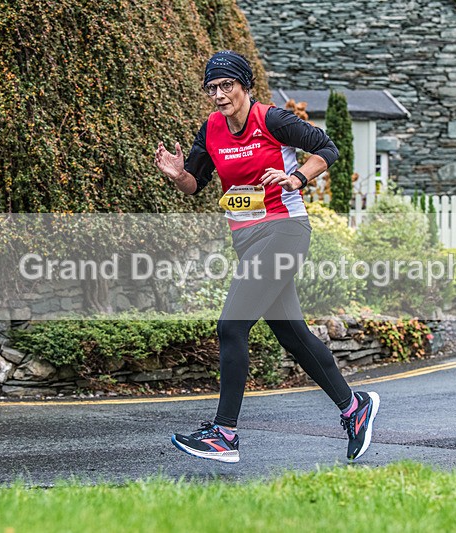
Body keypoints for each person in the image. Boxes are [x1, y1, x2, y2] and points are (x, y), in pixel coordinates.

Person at [154, 51, 379, 464]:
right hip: (248, 239)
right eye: (213, 88)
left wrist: (294, 178)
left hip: (284, 231)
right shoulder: (211, 130)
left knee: (231, 325)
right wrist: (176, 174)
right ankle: (353, 407)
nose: (220, 95)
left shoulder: (272, 120)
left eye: (228, 86)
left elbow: (327, 149)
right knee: (292, 335)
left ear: (245, 87)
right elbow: (195, 183)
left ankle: (224, 434)